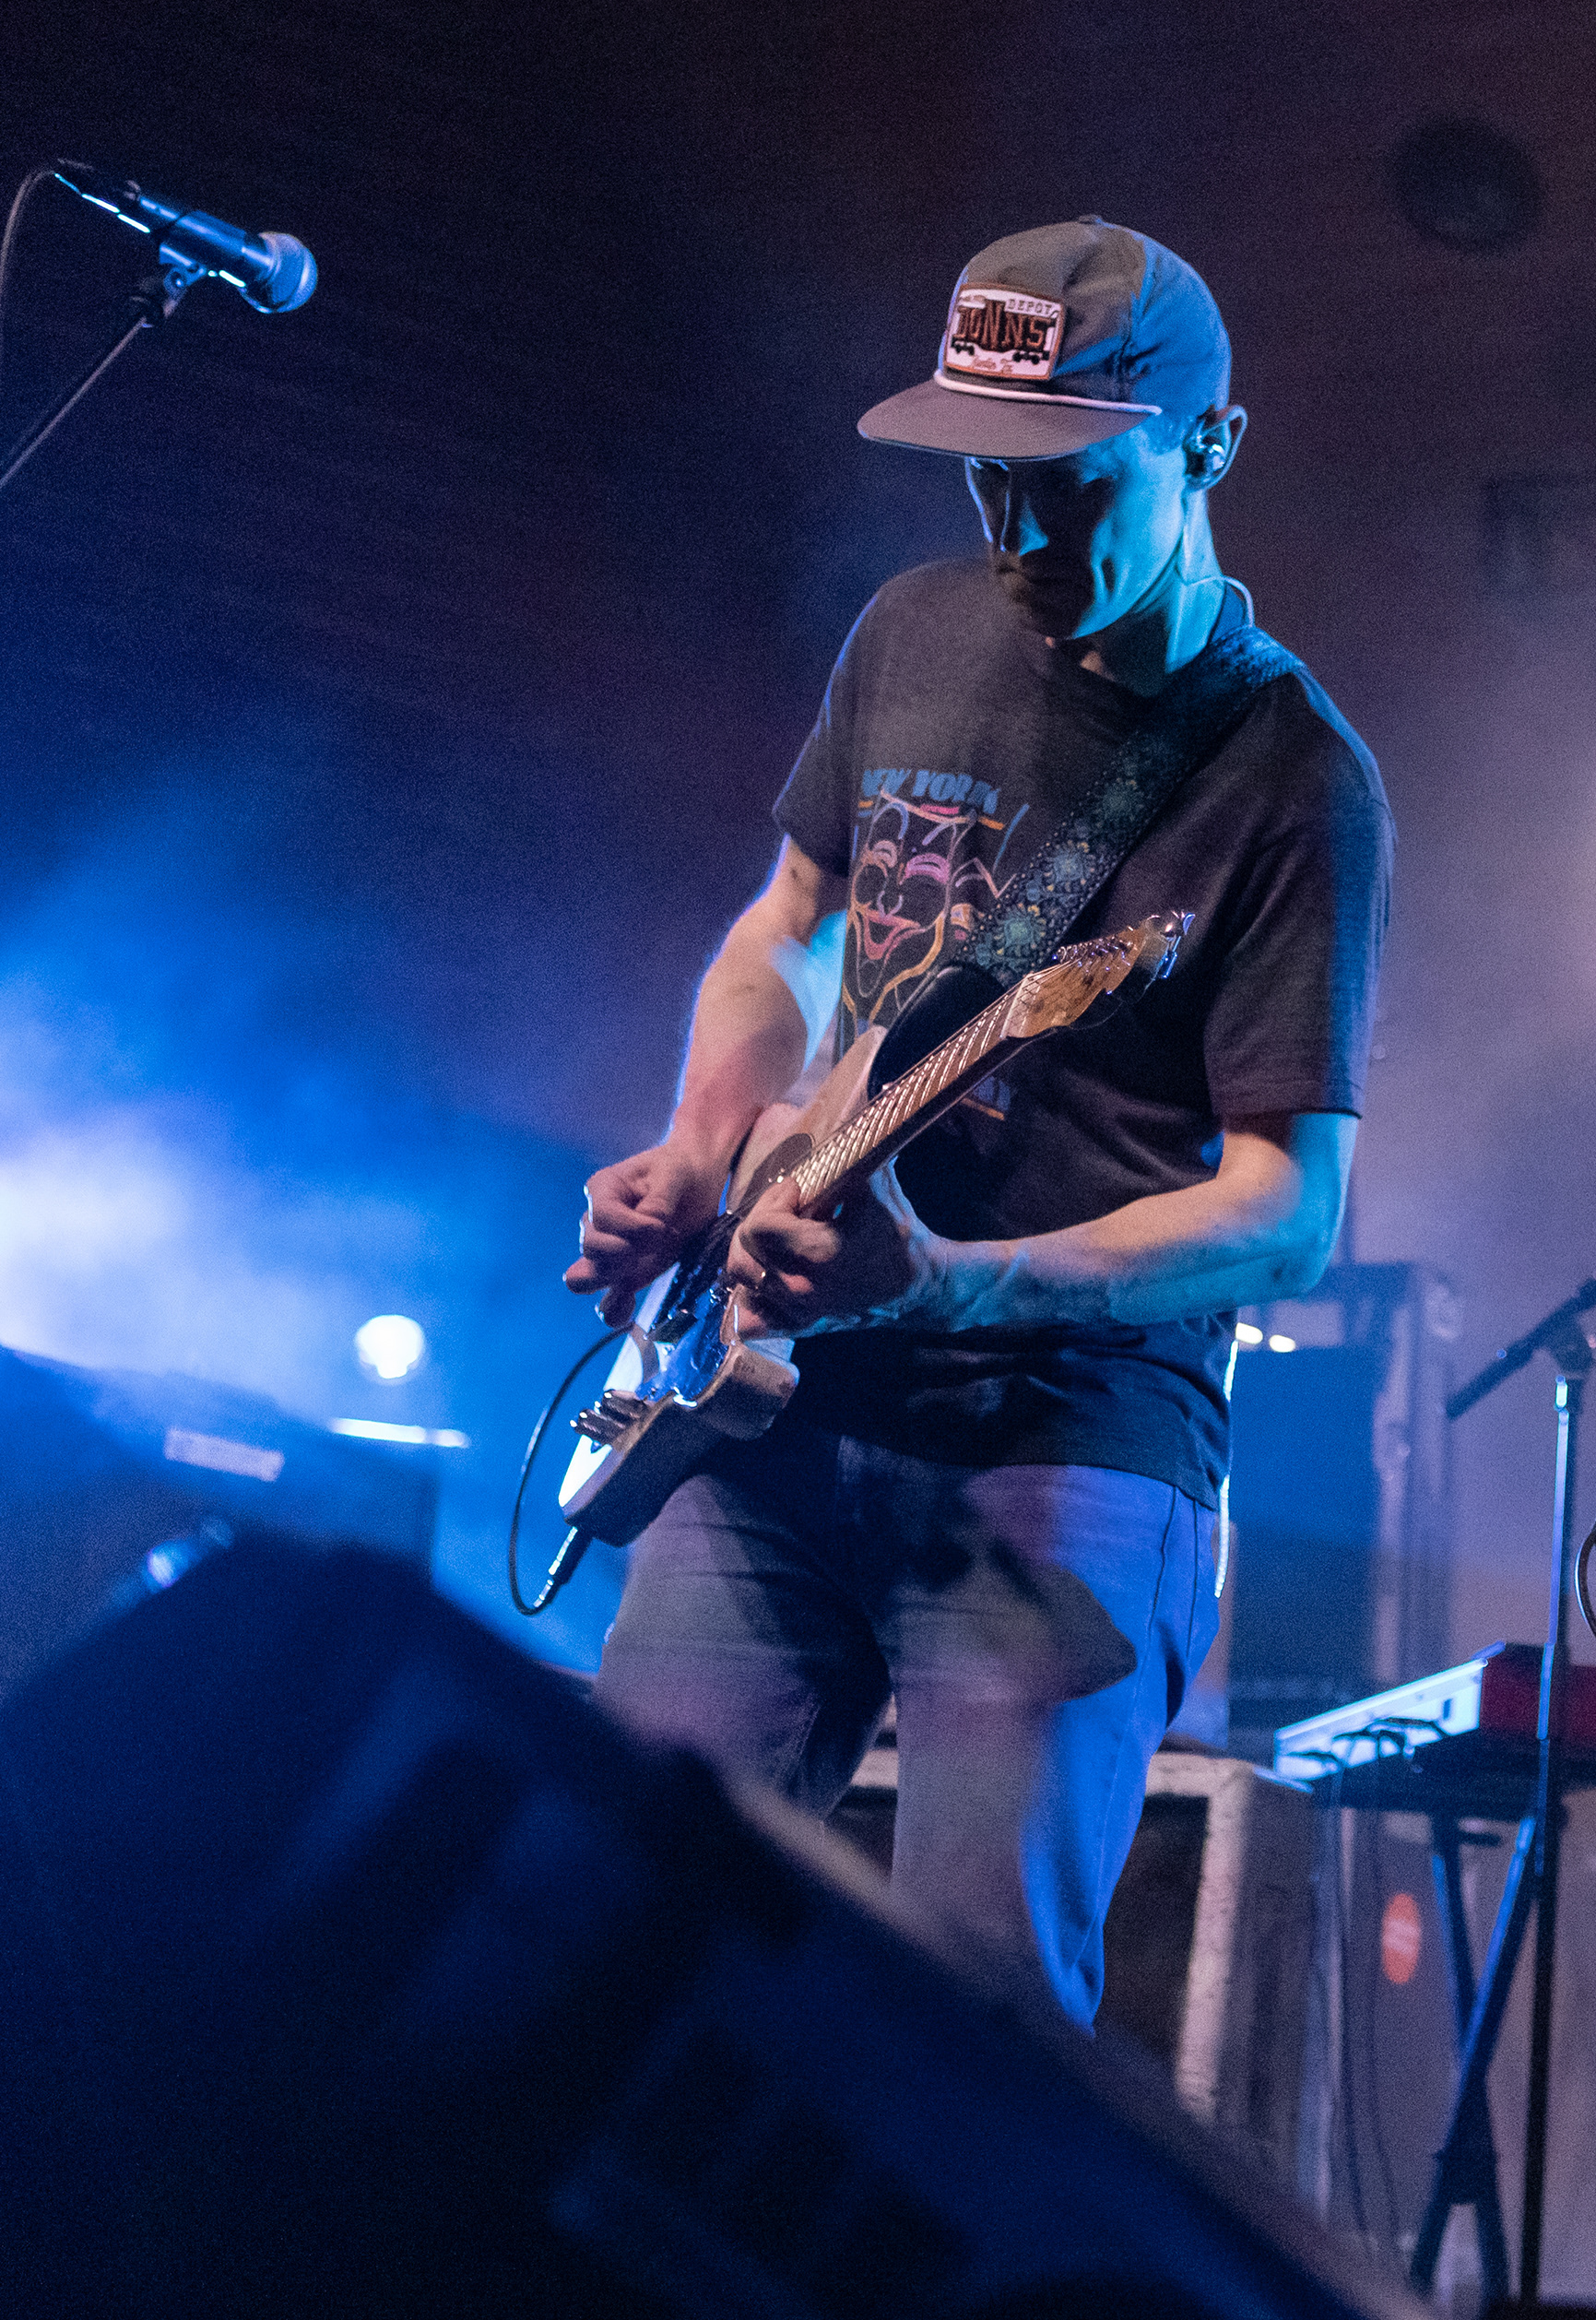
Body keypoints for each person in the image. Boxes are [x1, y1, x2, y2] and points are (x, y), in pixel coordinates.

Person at [565, 219, 1391, 2029]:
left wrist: (958, 1283)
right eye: (983, 479)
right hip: (775, 1391)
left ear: (1209, 444)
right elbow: (792, 925)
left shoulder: (1293, 778)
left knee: (969, 2018)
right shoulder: (913, 627)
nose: (1015, 535)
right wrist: (703, 1144)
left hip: (1064, 1445)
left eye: (1067, 482)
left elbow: (1286, 1210)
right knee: (602, 1922)